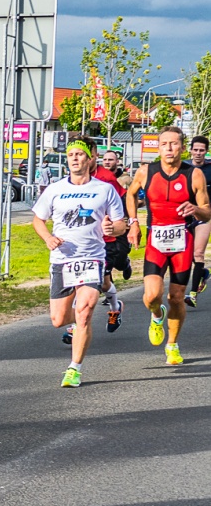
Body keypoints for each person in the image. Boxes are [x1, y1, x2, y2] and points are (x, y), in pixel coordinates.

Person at [32, 136, 125, 387]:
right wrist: (48, 238)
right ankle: (93, 316)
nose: (75, 158)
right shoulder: (55, 189)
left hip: (92, 257)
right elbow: (38, 220)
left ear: (90, 158)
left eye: (80, 154)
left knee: (83, 313)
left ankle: (74, 369)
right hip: (63, 259)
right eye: (71, 154)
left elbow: (120, 224)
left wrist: (112, 228)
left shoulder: (105, 189)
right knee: (58, 319)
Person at [125, 126, 211, 364]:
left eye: (174, 144)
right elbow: (130, 195)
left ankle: (172, 344)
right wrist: (133, 223)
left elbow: (207, 212)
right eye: (165, 144)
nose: (170, 148)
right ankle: (156, 314)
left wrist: (195, 209)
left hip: (183, 242)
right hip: (156, 241)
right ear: (159, 147)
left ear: (182, 147)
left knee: (176, 297)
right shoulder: (146, 172)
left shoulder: (193, 175)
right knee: (152, 295)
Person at [93, 147, 132, 331]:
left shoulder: (108, 180)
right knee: (77, 285)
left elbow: (122, 202)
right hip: (81, 242)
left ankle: (115, 309)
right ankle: (73, 327)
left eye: (82, 155)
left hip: (105, 240)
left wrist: (126, 223)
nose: (78, 160)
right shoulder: (72, 179)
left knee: (103, 282)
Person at [185, 135, 211, 306]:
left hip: (204, 215)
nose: (198, 153)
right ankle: (202, 273)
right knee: (187, 255)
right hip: (185, 214)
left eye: (202, 150)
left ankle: (192, 294)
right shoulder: (184, 167)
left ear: (206, 152)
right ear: (191, 150)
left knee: (198, 253)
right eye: (196, 150)